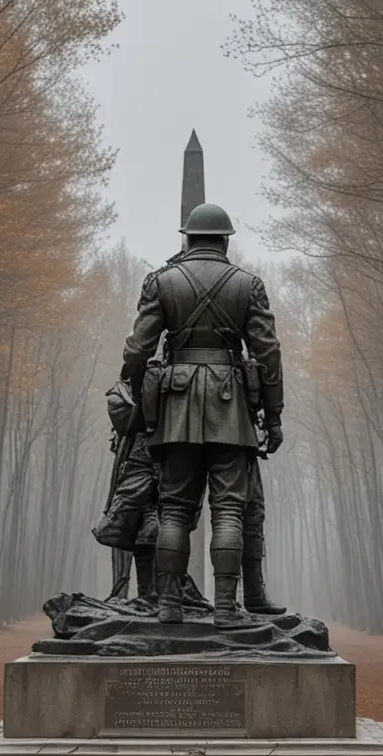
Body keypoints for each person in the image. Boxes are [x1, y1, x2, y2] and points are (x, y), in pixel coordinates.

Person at [121, 202, 284, 625]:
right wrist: (274, 414)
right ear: (225, 240)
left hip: (175, 407)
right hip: (232, 408)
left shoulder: (161, 281)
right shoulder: (250, 285)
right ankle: (227, 609)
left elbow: (139, 349)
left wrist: (140, 401)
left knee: (174, 507)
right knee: (229, 509)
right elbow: (267, 352)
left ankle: (169, 605)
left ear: (188, 238)